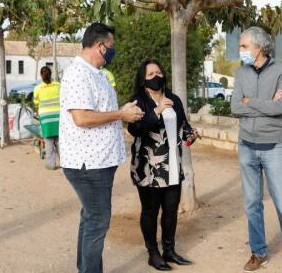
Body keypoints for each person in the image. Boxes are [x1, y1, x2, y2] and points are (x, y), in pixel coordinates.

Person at [59, 22, 144, 273]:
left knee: (90, 219)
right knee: (97, 222)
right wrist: (121, 114)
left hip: (99, 161)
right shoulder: (78, 74)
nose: (113, 51)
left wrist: (124, 112)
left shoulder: (97, 74)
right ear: (100, 46)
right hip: (89, 164)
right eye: (111, 47)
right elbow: (82, 118)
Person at [231, 27, 282, 273]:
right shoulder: (240, 72)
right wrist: (264, 104)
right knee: (252, 203)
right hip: (246, 145)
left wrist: (250, 102)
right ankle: (258, 252)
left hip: (274, 145)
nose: (240, 50)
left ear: (259, 47)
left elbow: (279, 107)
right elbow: (235, 107)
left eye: (243, 46)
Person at [128, 59, 197, 271]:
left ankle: (169, 249)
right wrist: (156, 111)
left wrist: (190, 134)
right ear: (142, 80)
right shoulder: (138, 102)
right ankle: (153, 253)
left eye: (158, 72)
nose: (156, 76)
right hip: (148, 168)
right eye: (150, 74)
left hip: (172, 166)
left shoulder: (173, 99)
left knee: (171, 211)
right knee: (150, 211)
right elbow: (136, 129)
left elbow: (183, 126)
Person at [33, 66, 60, 170]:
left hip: (45, 117)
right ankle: (66, 163)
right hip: (58, 116)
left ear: (41, 75)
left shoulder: (37, 88)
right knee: (59, 139)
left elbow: (36, 102)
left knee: (48, 140)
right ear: (51, 74)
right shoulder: (58, 85)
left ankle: (51, 164)